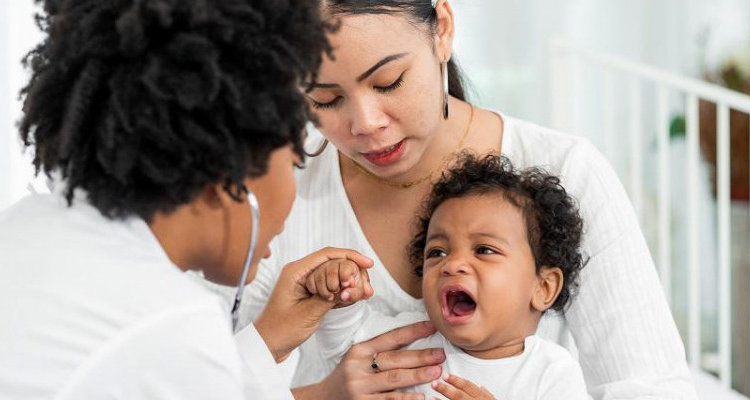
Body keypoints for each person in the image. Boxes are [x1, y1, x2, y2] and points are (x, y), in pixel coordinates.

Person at [225, 0, 697, 399]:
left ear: (442, 31)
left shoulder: (568, 171)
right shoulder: (276, 194)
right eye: (324, 100)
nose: (365, 123)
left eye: (388, 81)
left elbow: (654, 387)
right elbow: (198, 378)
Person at [0, 0, 372, 399]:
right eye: (294, 149)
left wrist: (268, 340)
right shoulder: (171, 324)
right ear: (230, 163)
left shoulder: (17, 230)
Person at [307, 154, 589, 400]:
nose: (452, 264)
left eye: (484, 250)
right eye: (438, 252)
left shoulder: (551, 373)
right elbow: (344, 346)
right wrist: (339, 294)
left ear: (543, 287)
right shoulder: (414, 337)